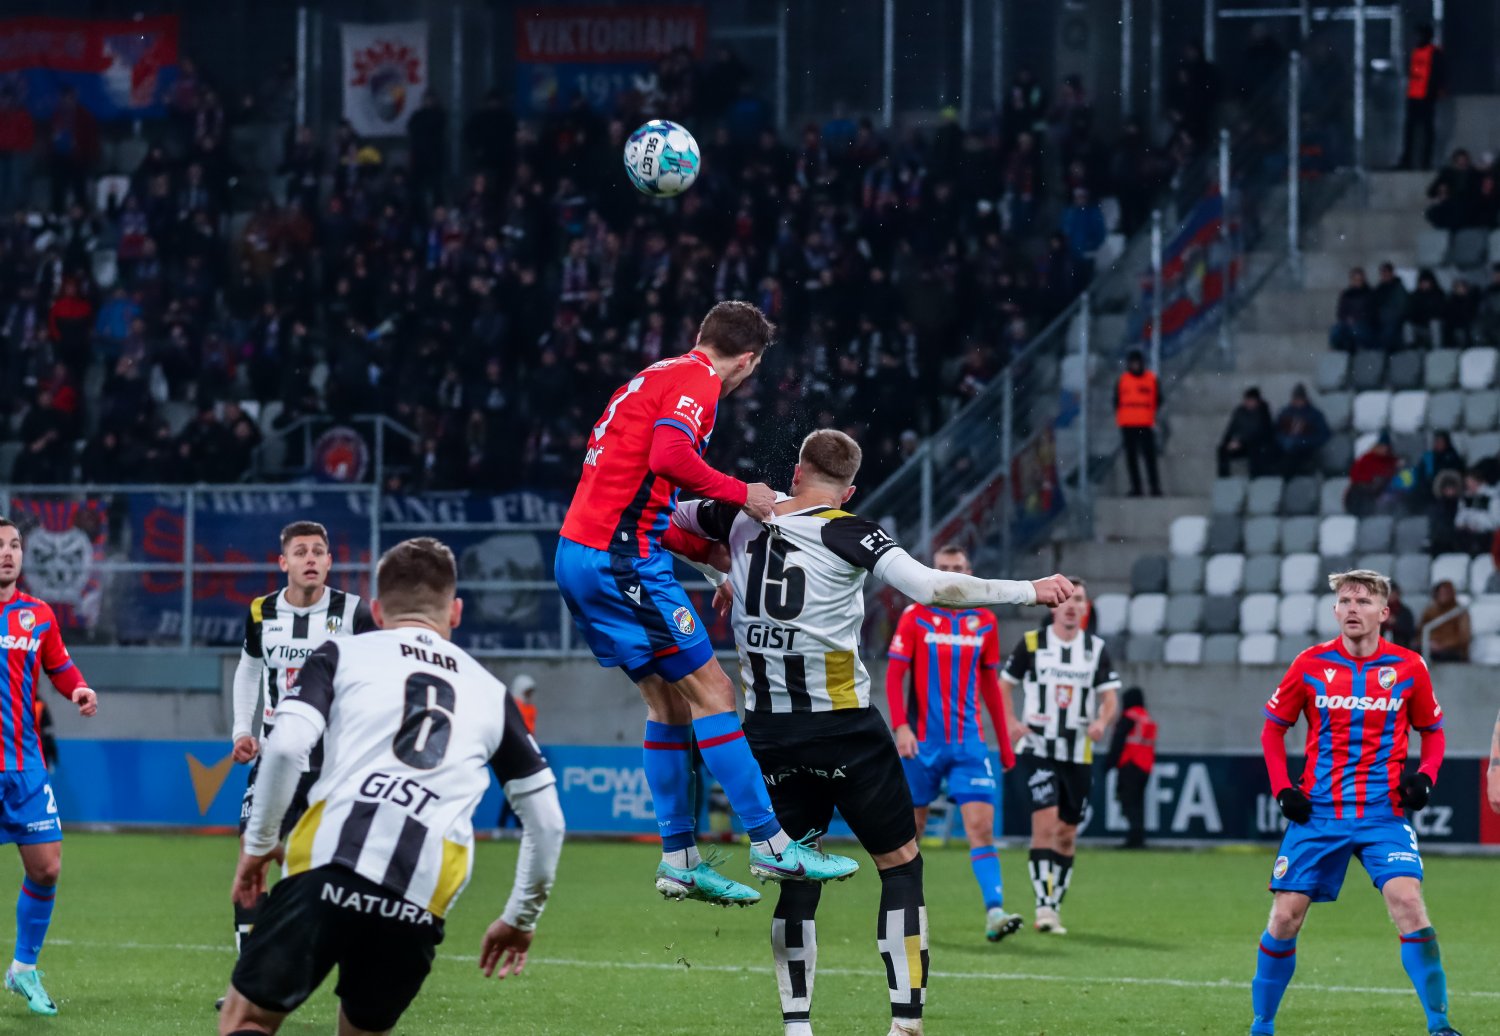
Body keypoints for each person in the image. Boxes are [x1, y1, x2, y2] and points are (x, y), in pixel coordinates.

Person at [670, 429, 1072, 1036]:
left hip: (770, 734)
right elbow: (935, 588)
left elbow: (664, 518)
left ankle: (797, 1027)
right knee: (901, 866)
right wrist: (1029, 591)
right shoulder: (852, 531)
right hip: (844, 730)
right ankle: (904, 1024)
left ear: (797, 471)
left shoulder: (741, 513)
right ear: (850, 490)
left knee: (796, 874)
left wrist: (716, 571)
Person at [553, 300, 857, 907]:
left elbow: (644, 497)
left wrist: (711, 560)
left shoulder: (655, 376)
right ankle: (772, 844)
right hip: (622, 562)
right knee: (716, 693)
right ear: (747, 360)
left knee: (669, 704)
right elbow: (669, 459)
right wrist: (743, 493)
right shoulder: (699, 383)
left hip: (581, 554)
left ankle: (680, 860)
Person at [220, 537, 565, 1035]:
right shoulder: (492, 693)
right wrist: (520, 919)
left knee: (247, 1018)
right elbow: (548, 823)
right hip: (421, 890)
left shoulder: (341, 653)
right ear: (456, 611)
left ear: (378, 611)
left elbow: (286, 746)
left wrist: (258, 845)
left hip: (329, 860)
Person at [1252, 570, 1457, 1036]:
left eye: (1363, 602)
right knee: (1284, 917)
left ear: (1384, 613)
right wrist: (1283, 788)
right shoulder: (1310, 664)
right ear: (1334, 610)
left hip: (1382, 814)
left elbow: (1433, 732)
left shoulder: (1409, 667)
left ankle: (1440, 1024)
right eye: (1345, 601)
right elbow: (1272, 729)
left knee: (1408, 903)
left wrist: (1425, 777)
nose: (1352, 609)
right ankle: (1262, 1025)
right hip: (1319, 813)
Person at [226, 521, 376, 975]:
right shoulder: (261, 611)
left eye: (317, 551)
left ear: (329, 562)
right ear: (283, 562)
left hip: (334, 765)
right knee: (252, 862)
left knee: (336, 873)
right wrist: (242, 730)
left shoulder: (355, 613)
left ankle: (348, 969)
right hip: (274, 758)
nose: (310, 559)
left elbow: (376, 678)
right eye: (300, 551)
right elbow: (249, 669)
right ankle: (249, 977)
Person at [886, 545, 1024, 943]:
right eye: (944, 568)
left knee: (980, 829)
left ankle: (995, 912)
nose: (951, 574)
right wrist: (901, 727)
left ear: (969, 571)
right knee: (911, 832)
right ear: (933, 571)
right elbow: (894, 676)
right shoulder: (915, 616)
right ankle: (906, 913)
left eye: (957, 568)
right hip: (921, 745)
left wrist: (1005, 746)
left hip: (968, 746)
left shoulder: (985, 620)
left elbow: (991, 689)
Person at [0, 518, 97, 1016]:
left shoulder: (37, 615)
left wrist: (78, 688)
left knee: (47, 867)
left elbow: (59, 665)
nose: (8, 553)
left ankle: (23, 969)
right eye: (0, 545)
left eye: (14, 544)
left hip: (25, 767)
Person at [1002, 578, 1120, 934]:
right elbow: (1003, 685)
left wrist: (1101, 722)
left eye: (1078, 599)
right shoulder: (1032, 643)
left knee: (1067, 834)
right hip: (1037, 748)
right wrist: (1011, 722)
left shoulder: (1096, 649)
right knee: (1046, 824)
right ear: (1053, 606)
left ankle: (1054, 904)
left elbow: (1110, 698)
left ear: (1086, 607)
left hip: (1078, 753)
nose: (1071, 605)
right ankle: (1044, 908)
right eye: (1066, 599)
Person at [1106, 686, 1155, 850]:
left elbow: (1118, 741)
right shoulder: (1146, 717)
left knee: (1127, 801)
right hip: (1145, 766)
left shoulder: (1129, 716)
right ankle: (1138, 837)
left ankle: (1134, 838)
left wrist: (1109, 763)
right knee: (1138, 803)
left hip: (1130, 764)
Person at [1396, 23, 1444, 172]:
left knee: (1427, 130)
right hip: (1413, 96)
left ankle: (1425, 162)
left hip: (1426, 97)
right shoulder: (1415, 51)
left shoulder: (1434, 52)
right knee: (1410, 130)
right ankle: (1407, 160)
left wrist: (1435, 91)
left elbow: (1439, 74)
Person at [1114, 349, 1161, 497]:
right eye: (1132, 363)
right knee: (1131, 458)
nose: (1135, 366)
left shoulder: (1151, 379)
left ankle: (1154, 487)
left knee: (1149, 457)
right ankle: (1136, 488)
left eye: (1137, 363)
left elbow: (1158, 399)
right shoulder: (1123, 380)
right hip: (1128, 424)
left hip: (1145, 423)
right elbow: (1116, 401)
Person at [1217, 387, 1276, 478]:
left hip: (1258, 445)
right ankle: (1224, 478)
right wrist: (1227, 442)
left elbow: (1260, 432)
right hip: (1242, 444)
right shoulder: (1240, 412)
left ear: (1257, 401)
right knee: (1222, 449)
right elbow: (1231, 429)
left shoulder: (1263, 412)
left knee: (1255, 449)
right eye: (1246, 400)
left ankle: (1255, 477)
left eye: (1250, 400)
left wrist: (1241, 442)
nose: (1248, 403)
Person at [1274, 385, 1330, 478]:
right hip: (1285, 451)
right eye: (1296, 399)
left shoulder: (1314, 415)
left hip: (1306, 451)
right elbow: (1276, 431)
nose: (1298, 402)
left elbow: (1323, 435)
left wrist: (1303, 442)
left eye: (1300, 399)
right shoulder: (1285, 413)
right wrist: (1283, 440)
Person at [1344, 434, 1399, 517]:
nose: (1383, 449)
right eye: (1380, 446)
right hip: (1362, 494)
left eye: (1385, 447)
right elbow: (1355, 476)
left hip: (1381, 494)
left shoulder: (1392, 461)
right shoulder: (1365, 459)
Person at [1419, 580, 1470, 662]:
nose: (1443, 596)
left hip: (1452, 650)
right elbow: (1420, 631)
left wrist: (1442, 645)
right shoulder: (1430, 611)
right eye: (1441, 593)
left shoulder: (1459, 612)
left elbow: (1463, 638)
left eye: (1446, 593)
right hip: (1431, 647)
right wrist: (1429, 643)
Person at [1328, 267, 1374, 352]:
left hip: (1363, 326)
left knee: (1355, 330)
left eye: (1359, 280)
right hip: (1348, 324)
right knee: (1336, 329)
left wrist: (1356, 319)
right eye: (1355, 280)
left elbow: (1371, 313)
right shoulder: (1347, 294)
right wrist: (1348, 319)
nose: (1357, 282)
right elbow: (1341, 312)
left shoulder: (1369, 294)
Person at [1382, 581, 1418, 649]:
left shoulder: (1405, 611)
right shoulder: (1378, 610)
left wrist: (1396, 623)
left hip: (1400, 645)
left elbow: (1410, 632)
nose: (1390, 596)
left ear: (1398, 594)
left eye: (1392, 593)